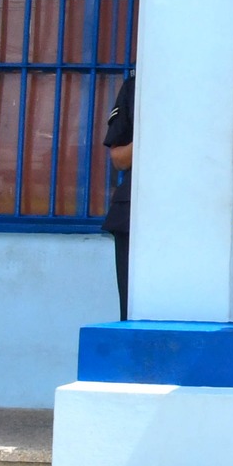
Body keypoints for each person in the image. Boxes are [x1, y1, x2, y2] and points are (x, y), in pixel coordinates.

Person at [101, 72, 134, 321]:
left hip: (189, 213)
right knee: (131, 308)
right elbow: (118, 159)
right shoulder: (136, 87)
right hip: (132, 214)